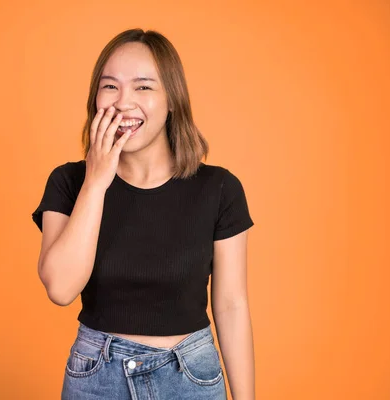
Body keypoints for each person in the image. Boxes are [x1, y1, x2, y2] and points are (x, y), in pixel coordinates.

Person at [32, 28, 255, 400]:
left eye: (143, 87)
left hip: (190, 379)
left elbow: (232, 305)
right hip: (96, 379)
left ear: (172, 101)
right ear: (95, 99)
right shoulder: (69, 182)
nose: (123, 102)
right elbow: (60, 288)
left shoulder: (219, 189)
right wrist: (96, 181)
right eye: (110, 86)